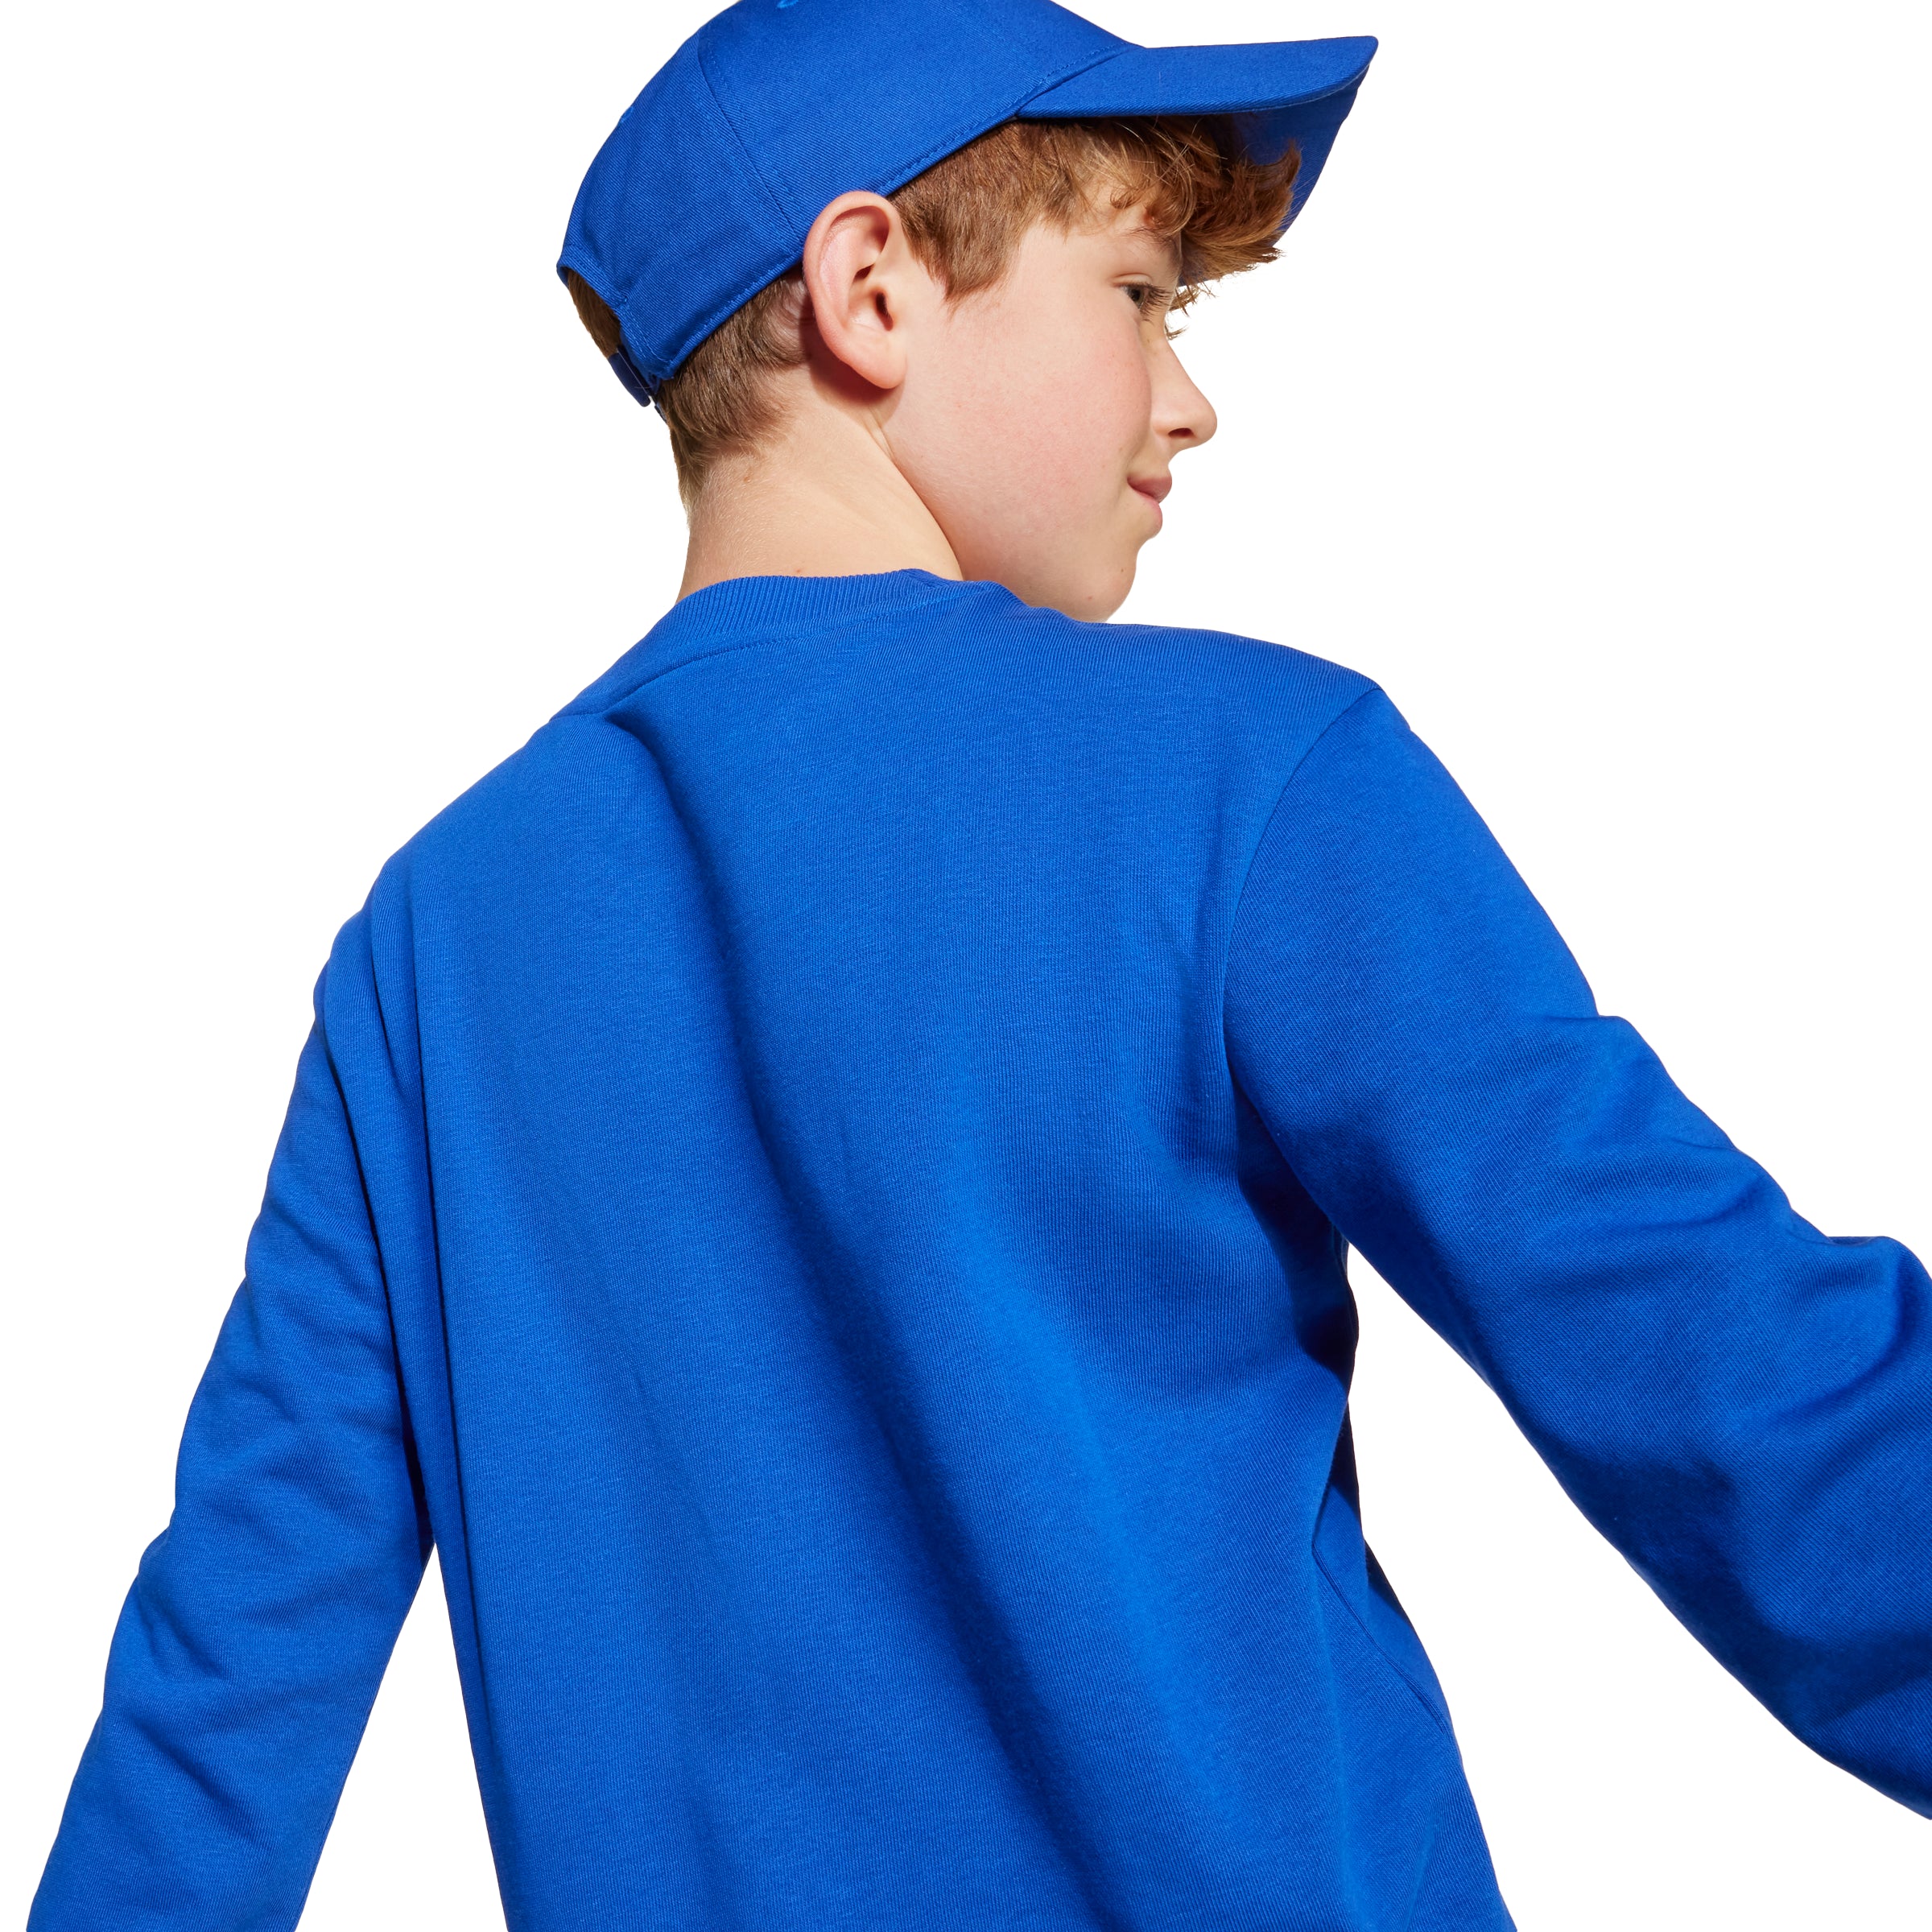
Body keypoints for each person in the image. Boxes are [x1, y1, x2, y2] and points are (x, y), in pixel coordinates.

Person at [29, 0, 1931, 1926]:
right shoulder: (1249, 776)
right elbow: (1729, 1371)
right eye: (1142, 297)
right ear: (872, 288)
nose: (1189, 404)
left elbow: (228, 1684)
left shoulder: (431, 945)